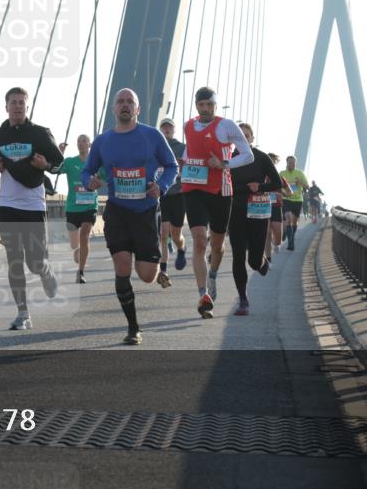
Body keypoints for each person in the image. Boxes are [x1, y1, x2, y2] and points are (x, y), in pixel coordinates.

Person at [80, 89, 178, 344]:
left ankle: (148, 259)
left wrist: (162, 186)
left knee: (147, 275)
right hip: (117, 210)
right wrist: (89, 181)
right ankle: (133, 327)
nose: (124, 105)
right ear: (113, 109)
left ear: (138, 109)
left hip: (145, 211)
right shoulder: (103, 141)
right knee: (122, 266)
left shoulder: (152, 135)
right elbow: (87, 170)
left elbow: (172, 166)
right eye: (120, 102)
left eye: (129, 102)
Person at [0, 87, 63, 330]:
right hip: (8, 206)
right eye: (13, 102)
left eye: (22, 102)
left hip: (33, 206)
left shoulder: (40, 134)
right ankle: (23, 314)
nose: (18, 106)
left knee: (34, 262)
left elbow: (58, 165)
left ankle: (45, 271)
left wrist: (46, 164)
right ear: (6, 106)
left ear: (27, 106)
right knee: (14, 261)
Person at [179, 87, 253, 319]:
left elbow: (247, 155)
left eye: (209, 105)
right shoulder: (188, 125)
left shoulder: (226, 125)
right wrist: (183, 163)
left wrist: (224, 163)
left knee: (217, 245)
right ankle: (203, 295)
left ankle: (212, 274)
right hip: (193, 189)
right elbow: (190, 151)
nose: (205, 109)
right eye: (201, 105)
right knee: (200, 241)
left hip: (221, 191)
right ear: (196, 106)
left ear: (215, 105)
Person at [228, 124, 283, 315]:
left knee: (253, 261)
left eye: (246, 136)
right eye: (239, 136)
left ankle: (261, 261)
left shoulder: (260, 157)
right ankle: (243, 300)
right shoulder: (229, 158)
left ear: (252, 139)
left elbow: (277, 184)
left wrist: (260, 186)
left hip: (257, 210)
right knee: (238, 256)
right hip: (235, 211)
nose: (243, 139)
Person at [57, 134, 99, 284]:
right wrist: (59, 153)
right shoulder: (70, 162)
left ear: (89, 145)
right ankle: (77, 251)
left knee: (85, 235)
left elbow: (106, 176)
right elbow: (56, 170)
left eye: (84, 141)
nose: (81, 144)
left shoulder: (95, 162)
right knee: (75, 245)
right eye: (78, 142)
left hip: (89, 206)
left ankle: (80, 272)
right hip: (73, 207)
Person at [157, 118, 188, 275]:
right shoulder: (155, 147)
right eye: (164, 127)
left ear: (174, 130)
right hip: (162, 194)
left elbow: (191, 167)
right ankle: (163, 269)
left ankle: (181, 248)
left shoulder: (182, 148)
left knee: (176, 234)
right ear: (160, 130)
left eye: (169, 127)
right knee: (163, 232)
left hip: (178, 194)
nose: (166, 130)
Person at [265, 152, 292, 260]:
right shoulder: (261, 176)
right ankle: (268, 258)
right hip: (264, 207)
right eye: (268, 161)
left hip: (276, 206)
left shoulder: (280, 178)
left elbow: (290, 192)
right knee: (267, 234)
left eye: (272, 161)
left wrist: (282, 194)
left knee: (278, 234)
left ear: (275, 163)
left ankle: (276, 244)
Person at [279, 156, 309, 251]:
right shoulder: (282, 173)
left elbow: (307, 187)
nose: (291, 164)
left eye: (293, 163)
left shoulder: (300, 173)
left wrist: (299, 182)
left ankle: (290, 235)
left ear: (296, 163)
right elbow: (277, 186)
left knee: (294, 222)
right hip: (286, 199)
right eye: (290, 162)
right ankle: (290, 243)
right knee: (288, 218)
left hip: (297, 200)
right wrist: (284, 192)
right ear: (286, 163)